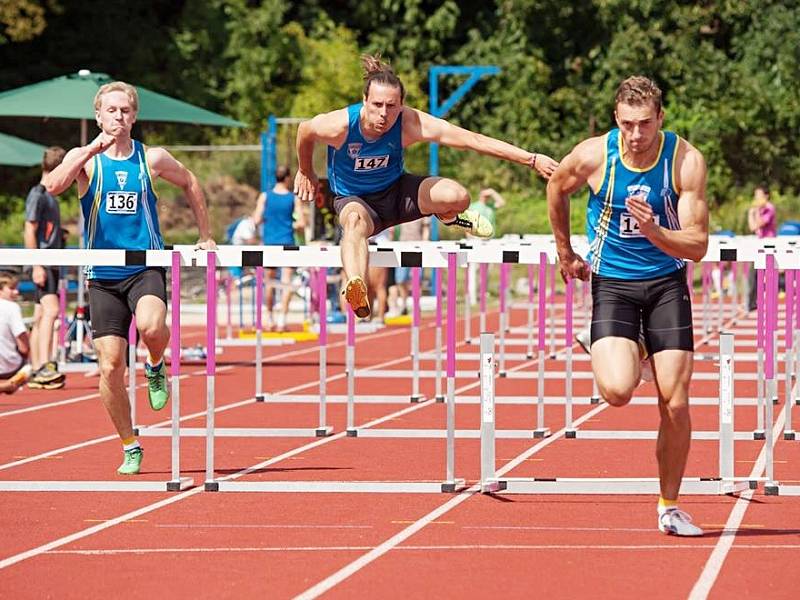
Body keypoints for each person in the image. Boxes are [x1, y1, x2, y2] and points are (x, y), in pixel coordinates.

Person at [547, 76, 709, 536]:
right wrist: (565, 252)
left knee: (674, 402)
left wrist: (657, 233)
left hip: (665, 284)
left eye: (644, 124)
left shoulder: (685, 161)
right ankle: (634, 351)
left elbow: (696, 244)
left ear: (660, 118)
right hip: (613, 284)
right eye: (627, 125)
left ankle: (670, 505)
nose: (635, 135)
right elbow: (556, 188)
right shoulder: (595, 155)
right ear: (616, 120)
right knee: (617, 392)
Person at [294, 54, 558, 318]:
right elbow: (305, 131)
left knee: (458, 196)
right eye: (376, 105)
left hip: (397, 193)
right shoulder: (339, 125)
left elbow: (472, 140)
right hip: (357, 201)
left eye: (391, 106)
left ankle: (451, 216)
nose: (384, 114)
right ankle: (356, 287)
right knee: (353, 222)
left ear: (401, 105)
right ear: (364, 101)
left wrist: (531, 159)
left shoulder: (409, 123)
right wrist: (306, 171)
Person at [43, 81, 216, 475]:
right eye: (112, 111)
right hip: (102, 275)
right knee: (109, 366)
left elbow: (189, 181)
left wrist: (205, 235)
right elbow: (52, 187)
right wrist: (88, 150)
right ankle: (130, 444)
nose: (119, 117)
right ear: (99, 116)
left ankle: (156, 362)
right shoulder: (84, 159)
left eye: (125, 111)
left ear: (134, 116)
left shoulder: (150, 158)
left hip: (144, 266)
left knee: (154, 326)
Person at [24, 146, 67, 390]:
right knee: (51, 312)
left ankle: (37, 366)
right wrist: (36, 263)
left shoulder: (50, 196)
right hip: (43, 261)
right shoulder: (38, 194)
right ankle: (43, 365)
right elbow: (29, 228)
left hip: (51, 259)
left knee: (41, 314)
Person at [253, 165, 307, 331]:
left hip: (269, 243)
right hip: (287, 243)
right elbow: (302, 223)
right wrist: (292, 224)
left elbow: (256, 219)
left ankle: (269, 318)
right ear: (288, 178)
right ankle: (282, 320)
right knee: (286, 282)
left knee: (269, 282)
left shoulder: (265, 196)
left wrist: (266, 222)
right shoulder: (293, 198)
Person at [467, 187, 505, 306]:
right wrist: (470, 238)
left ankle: (482, 293)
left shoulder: (491, 207)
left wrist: (493, 192)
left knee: (487, 269)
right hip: (476, 239)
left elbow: (502, 203)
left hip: (489, 240)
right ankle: (472, 297)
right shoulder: (474, 206)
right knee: (474, 268)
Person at [0, 273, 32, 394]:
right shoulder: (12, 307)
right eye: (12, 288)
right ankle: (7, 385)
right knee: (29, 367)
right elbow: (23, 344)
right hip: (8, 365)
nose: (17, 292)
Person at [747, 186, 776, 311]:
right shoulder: (759, 209)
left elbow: (758, 224)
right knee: (754, 274)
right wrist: (751, 213)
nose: (756, 198)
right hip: (759, 245)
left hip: (769, 245)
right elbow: (752, 227)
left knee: (767, 275)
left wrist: (756, 212)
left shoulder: (769, 208)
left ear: (766, 196)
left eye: (758, 195)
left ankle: (768, 303)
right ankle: (752, 303)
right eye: (755, 195)